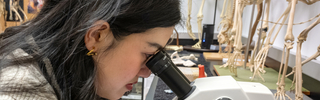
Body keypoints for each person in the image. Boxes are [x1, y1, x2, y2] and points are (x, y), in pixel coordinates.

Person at [0, 0, 181, 99]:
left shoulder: (71, 69)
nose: (147, 72)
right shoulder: (21, 90)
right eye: (148, 54)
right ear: (97, 36)